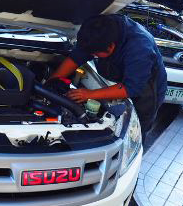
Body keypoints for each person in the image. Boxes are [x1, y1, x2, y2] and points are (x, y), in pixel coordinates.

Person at [48, 14, 167, 145]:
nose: (93, 56)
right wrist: (51, 82)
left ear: (111, 46)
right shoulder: (95, 31)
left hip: (147, 89)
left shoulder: (139, 48)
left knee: (135, 131)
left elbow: (131, 88)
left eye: (95, 54)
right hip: (118, 77)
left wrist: (89, 94)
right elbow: (75, 58)